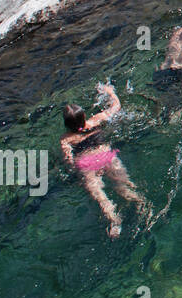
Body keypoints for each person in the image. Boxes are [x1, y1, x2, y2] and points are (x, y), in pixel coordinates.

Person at [60, 84, 148, 238]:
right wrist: (110, 92)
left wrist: (78, 175)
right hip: (106, 156)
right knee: (124, 187)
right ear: (84, 117)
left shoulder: (65, 139)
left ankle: (114, 222)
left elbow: (69, 160)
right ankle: (141, 205)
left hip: (86, 165)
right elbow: (116, 107)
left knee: (101, 198)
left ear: (66, 124)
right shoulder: (96, 121)